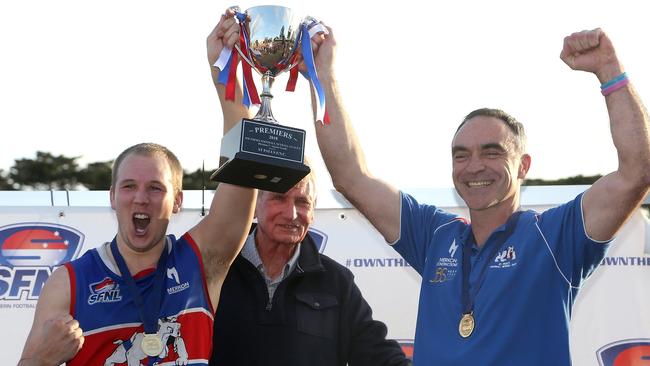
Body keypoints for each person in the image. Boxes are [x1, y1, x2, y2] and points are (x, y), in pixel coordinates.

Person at [308, 26, 650, 365]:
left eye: (491, 152)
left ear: (522, 166)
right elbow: (350, 175)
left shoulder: (555, 236)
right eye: (461, 155)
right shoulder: (434, 235)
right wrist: (322, 73)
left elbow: (637, 173)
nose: (474, 167)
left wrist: (610, 71)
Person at [207, 11, 411, 366]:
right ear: (254, 201)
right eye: (279, 198)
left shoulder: (336, 282)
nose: (292, 213)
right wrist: (220, 66)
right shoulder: (215, 266)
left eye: (303, 201)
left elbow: (380, 356)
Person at [19, 110, 256, 364]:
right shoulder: (68, 282)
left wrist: (226, 81)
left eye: (155, 188)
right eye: (129, 186)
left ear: (177, 201)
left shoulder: (199, 261)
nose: (140, 198)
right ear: (112, 197)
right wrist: (41, 360)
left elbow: (242, 171)